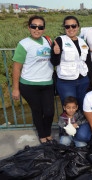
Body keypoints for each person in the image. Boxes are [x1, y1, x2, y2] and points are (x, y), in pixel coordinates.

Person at [12, 15, 55, 144]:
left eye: (40, 27)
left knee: (49, 112)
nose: (37, 29)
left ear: (44, 29)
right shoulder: (24, 44)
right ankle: (43, 136)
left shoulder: (48, 41)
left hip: (47, 83)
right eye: (34, 26)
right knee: (37, 111)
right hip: (29, 85)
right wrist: (15, 89)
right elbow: (16, 68)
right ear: (29, 27)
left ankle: (47, 132)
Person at [51, 16, 92, 111]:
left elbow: (88, 62)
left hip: (83, 80)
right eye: (67, 26)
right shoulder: (59, 40)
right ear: (65, 28)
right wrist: (56, 54)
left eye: (73, 26)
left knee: (84, 107)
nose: (71, 29)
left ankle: (83, 126)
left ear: (78, 27)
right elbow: (54, 62)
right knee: (70, 109)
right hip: (66, 82)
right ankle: (68, 125)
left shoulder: (83, 41)